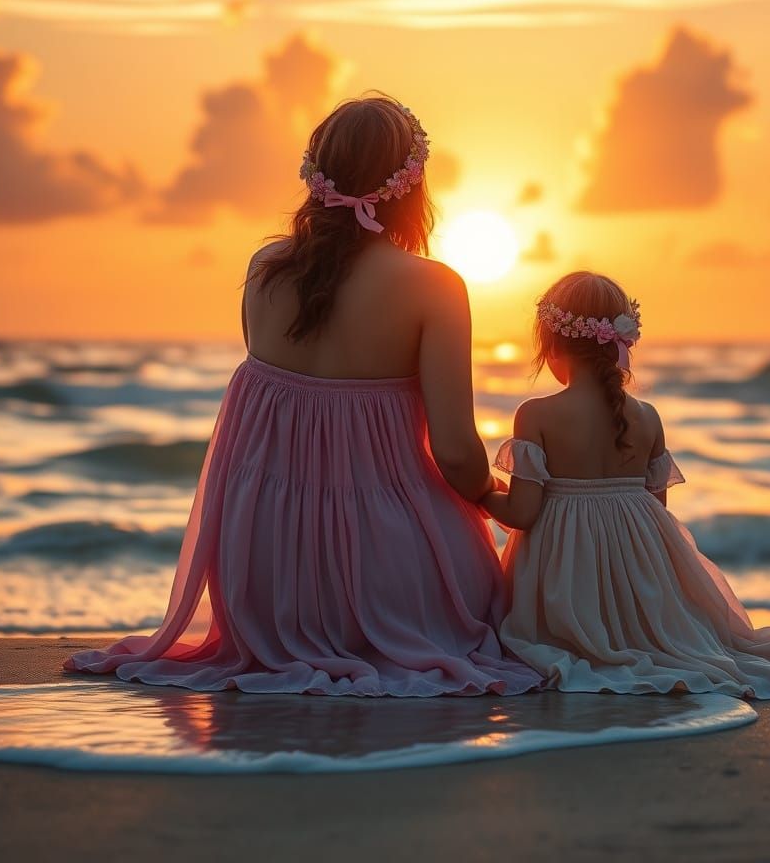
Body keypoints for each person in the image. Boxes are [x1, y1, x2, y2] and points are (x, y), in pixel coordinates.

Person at [65, 93, 541, 697]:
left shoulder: (264, 268)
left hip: (262, 578)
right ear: (412, 185)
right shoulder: (433, 286)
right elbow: (454, 452)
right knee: (493, 590)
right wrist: (495, 500)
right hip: (385, 573)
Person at [481, 270, 770, 699]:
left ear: (553, 344)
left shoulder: (536, 414)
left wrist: (483, 494)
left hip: (568, 587)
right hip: (640, 583)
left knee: (557, 647)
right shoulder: (648, 416)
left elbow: (524, 513)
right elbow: (658, 517)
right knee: (680, 647)